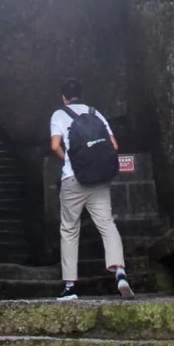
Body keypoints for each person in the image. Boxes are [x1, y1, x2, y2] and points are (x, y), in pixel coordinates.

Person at [49, 76, 134, 301]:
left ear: (64, 97)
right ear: (81, 94)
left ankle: (70, 287)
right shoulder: (95, 113)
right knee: (107, 223)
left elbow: (54, 146)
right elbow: (114, 146)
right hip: (98, 179)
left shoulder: (59, 114)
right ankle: (120, 272)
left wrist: (68, 159)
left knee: (69, 229)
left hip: (72, 179)